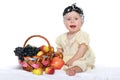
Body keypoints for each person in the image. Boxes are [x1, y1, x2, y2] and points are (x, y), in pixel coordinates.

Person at [55, 3, 95, 76]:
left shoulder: (82, 35)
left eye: (76, 19)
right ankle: (69, 66)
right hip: (67, 58)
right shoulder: (61, 37)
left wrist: (73, 60)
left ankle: (75, 69)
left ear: (82, 21)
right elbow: (59, 50)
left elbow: (82, 50)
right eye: (68, 19)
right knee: (58, 64)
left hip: (80, 57)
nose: (72, 21)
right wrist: (57, 57)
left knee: (80, 64)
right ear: (64, 22)